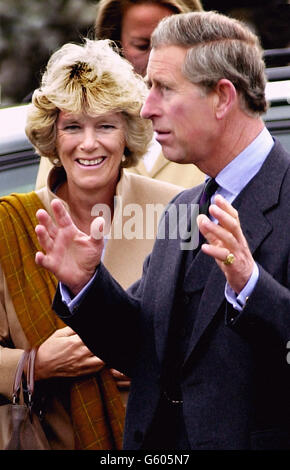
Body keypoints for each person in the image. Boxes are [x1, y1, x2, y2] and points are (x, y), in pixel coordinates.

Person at [35, 11, 290, 450]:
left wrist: (251, 288)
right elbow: (142, 345)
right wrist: (86, 285)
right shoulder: (184, 206)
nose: (147, 108)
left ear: (222, 97)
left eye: (164, 89)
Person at [0, 38, 182, 450]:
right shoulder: (9, 223)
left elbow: (216, 345)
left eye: (105, 125)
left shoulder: (176, 209)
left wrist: (156, 366)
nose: (88, 143)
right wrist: (35, 365)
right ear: (52, 137)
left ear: (128, 134)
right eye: (72, 127)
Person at [35, 0, 204, 190]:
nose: (156, 59)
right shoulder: (69, 116)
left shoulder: (213, 123)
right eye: (142, 45)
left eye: (171, 46)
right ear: (117, 43)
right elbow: (46, 205)